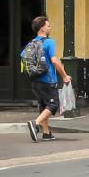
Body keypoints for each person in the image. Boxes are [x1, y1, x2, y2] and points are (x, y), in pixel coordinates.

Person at [25, 15, 71, 143]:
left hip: (35, 80)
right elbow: (55, 61)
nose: (50, 28)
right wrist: (65, 76)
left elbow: (24, 57)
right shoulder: (49, 42)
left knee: (43, 105)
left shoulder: (31, 43)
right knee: (53, 104)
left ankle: (46, 133)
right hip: (48, 80)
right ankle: (35, 123)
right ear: (42, 29)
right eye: (48, 25)